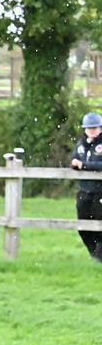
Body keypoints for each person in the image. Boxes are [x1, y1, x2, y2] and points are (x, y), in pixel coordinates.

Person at [70, 111, 102, 261]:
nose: (91, 130)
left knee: (99, 223)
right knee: (83, 225)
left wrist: (85, 165)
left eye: (94, 128)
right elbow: (75, 159)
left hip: (99, 191)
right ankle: (93, 253)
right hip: (84, 190)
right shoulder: (81, 144)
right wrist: (75, 164)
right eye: (89, 128)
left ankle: (98, 257)